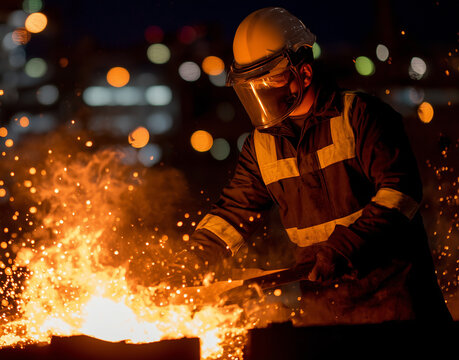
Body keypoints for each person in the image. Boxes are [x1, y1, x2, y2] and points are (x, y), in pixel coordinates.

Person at [173, 7, 451, 324]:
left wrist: (343, 248)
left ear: (303, 74)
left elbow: (400, 194)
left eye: (269, 79)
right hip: (325, 314)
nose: (261, 91)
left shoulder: (360, 115)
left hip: (399, 307)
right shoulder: (261, 145)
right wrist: (192, 260)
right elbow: (233, 213)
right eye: (253, 83)